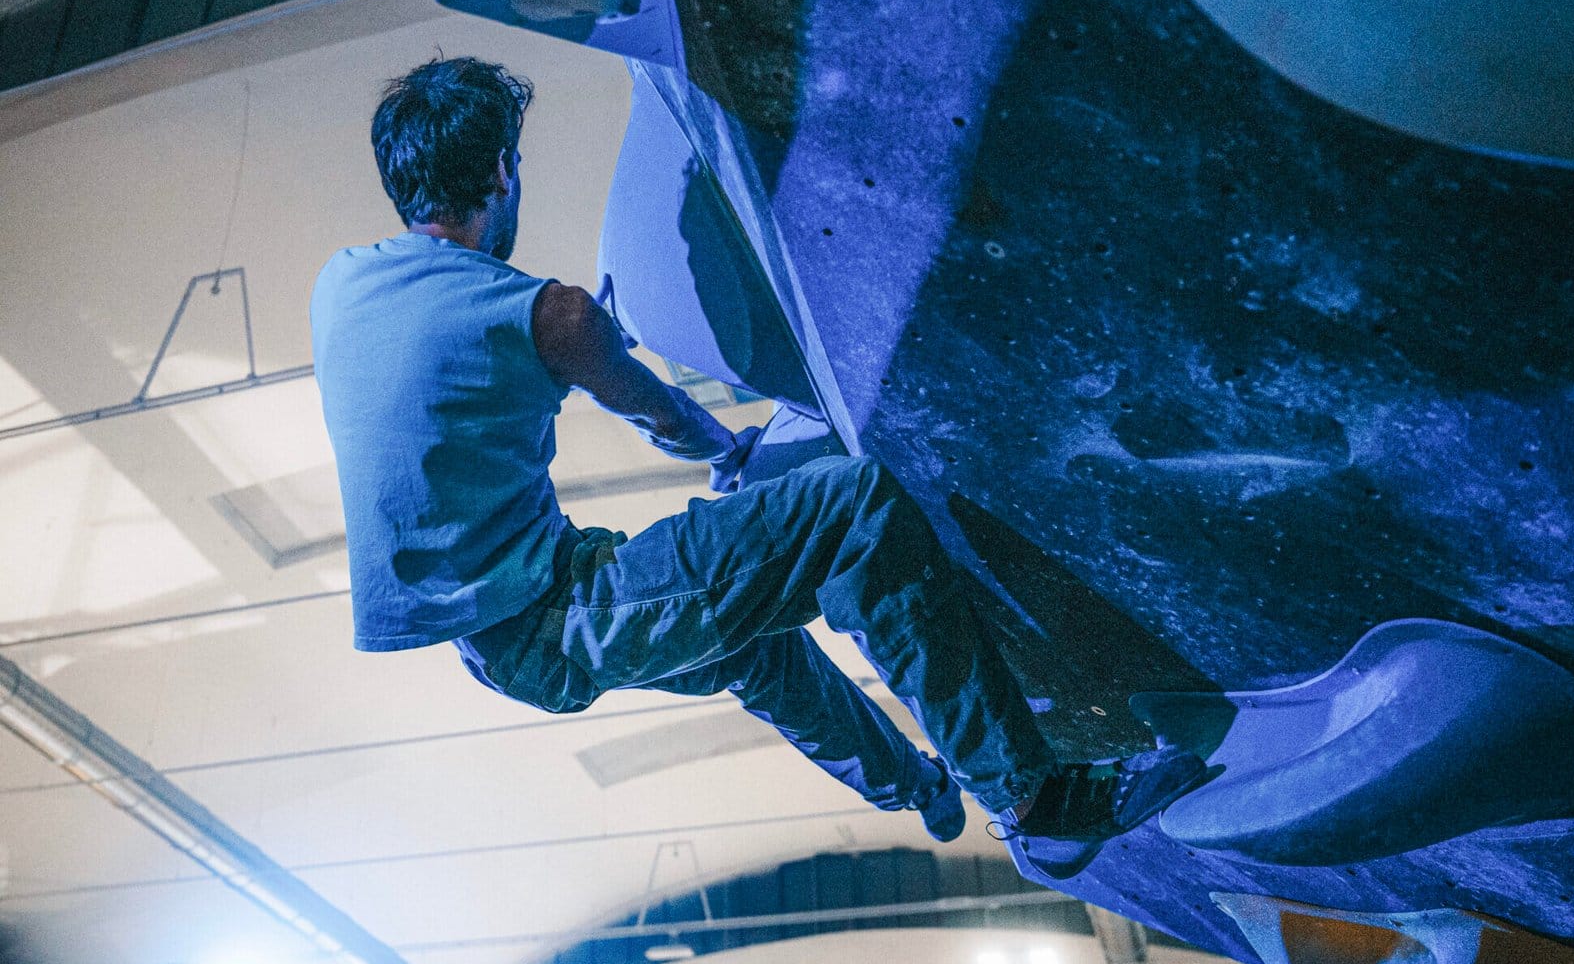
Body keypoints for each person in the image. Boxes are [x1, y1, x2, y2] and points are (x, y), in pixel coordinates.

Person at [310, 56, 1205, 869]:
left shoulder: (338, 286)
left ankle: (924, 792)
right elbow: (663, 417)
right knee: (854, 509)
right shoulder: (552, 315)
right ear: (504, 169)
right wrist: (729, 451)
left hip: (502, 644)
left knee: (756, 650)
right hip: (569, 613)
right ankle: (1033, 797)